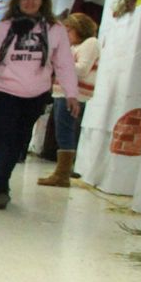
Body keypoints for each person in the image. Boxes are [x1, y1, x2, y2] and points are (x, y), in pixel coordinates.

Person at [0, 0, 79, 208]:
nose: (30, 2)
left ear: (43, 1)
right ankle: (1, 186)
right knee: (5, 138)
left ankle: (3, 178)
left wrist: (71, 94)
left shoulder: (55, 30)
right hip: (3, 90)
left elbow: (64, 63)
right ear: (18, 1)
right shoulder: (3, 29)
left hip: (36, 94)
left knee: (19, 142)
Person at [38, 12, 99, 186]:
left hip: (72, 95)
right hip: (62, 93)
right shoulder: (74, 47)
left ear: (79, 29)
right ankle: (62, 171)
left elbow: (81, 69)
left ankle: (62, 174)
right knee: (62, 132)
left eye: (69, 31)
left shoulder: (90, 43)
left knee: (65, 132)